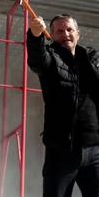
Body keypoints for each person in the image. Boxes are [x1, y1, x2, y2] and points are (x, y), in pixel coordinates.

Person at [27, 13, 99, 197]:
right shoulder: (50, 58)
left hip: (94, 149)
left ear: (78, 33)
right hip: (61, 150)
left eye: (69, 29)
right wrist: (35, 36)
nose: (65, 34)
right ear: (51, 34)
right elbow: (37, 60)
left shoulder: (92, 57)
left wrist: (85, 62)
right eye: (59, 31)